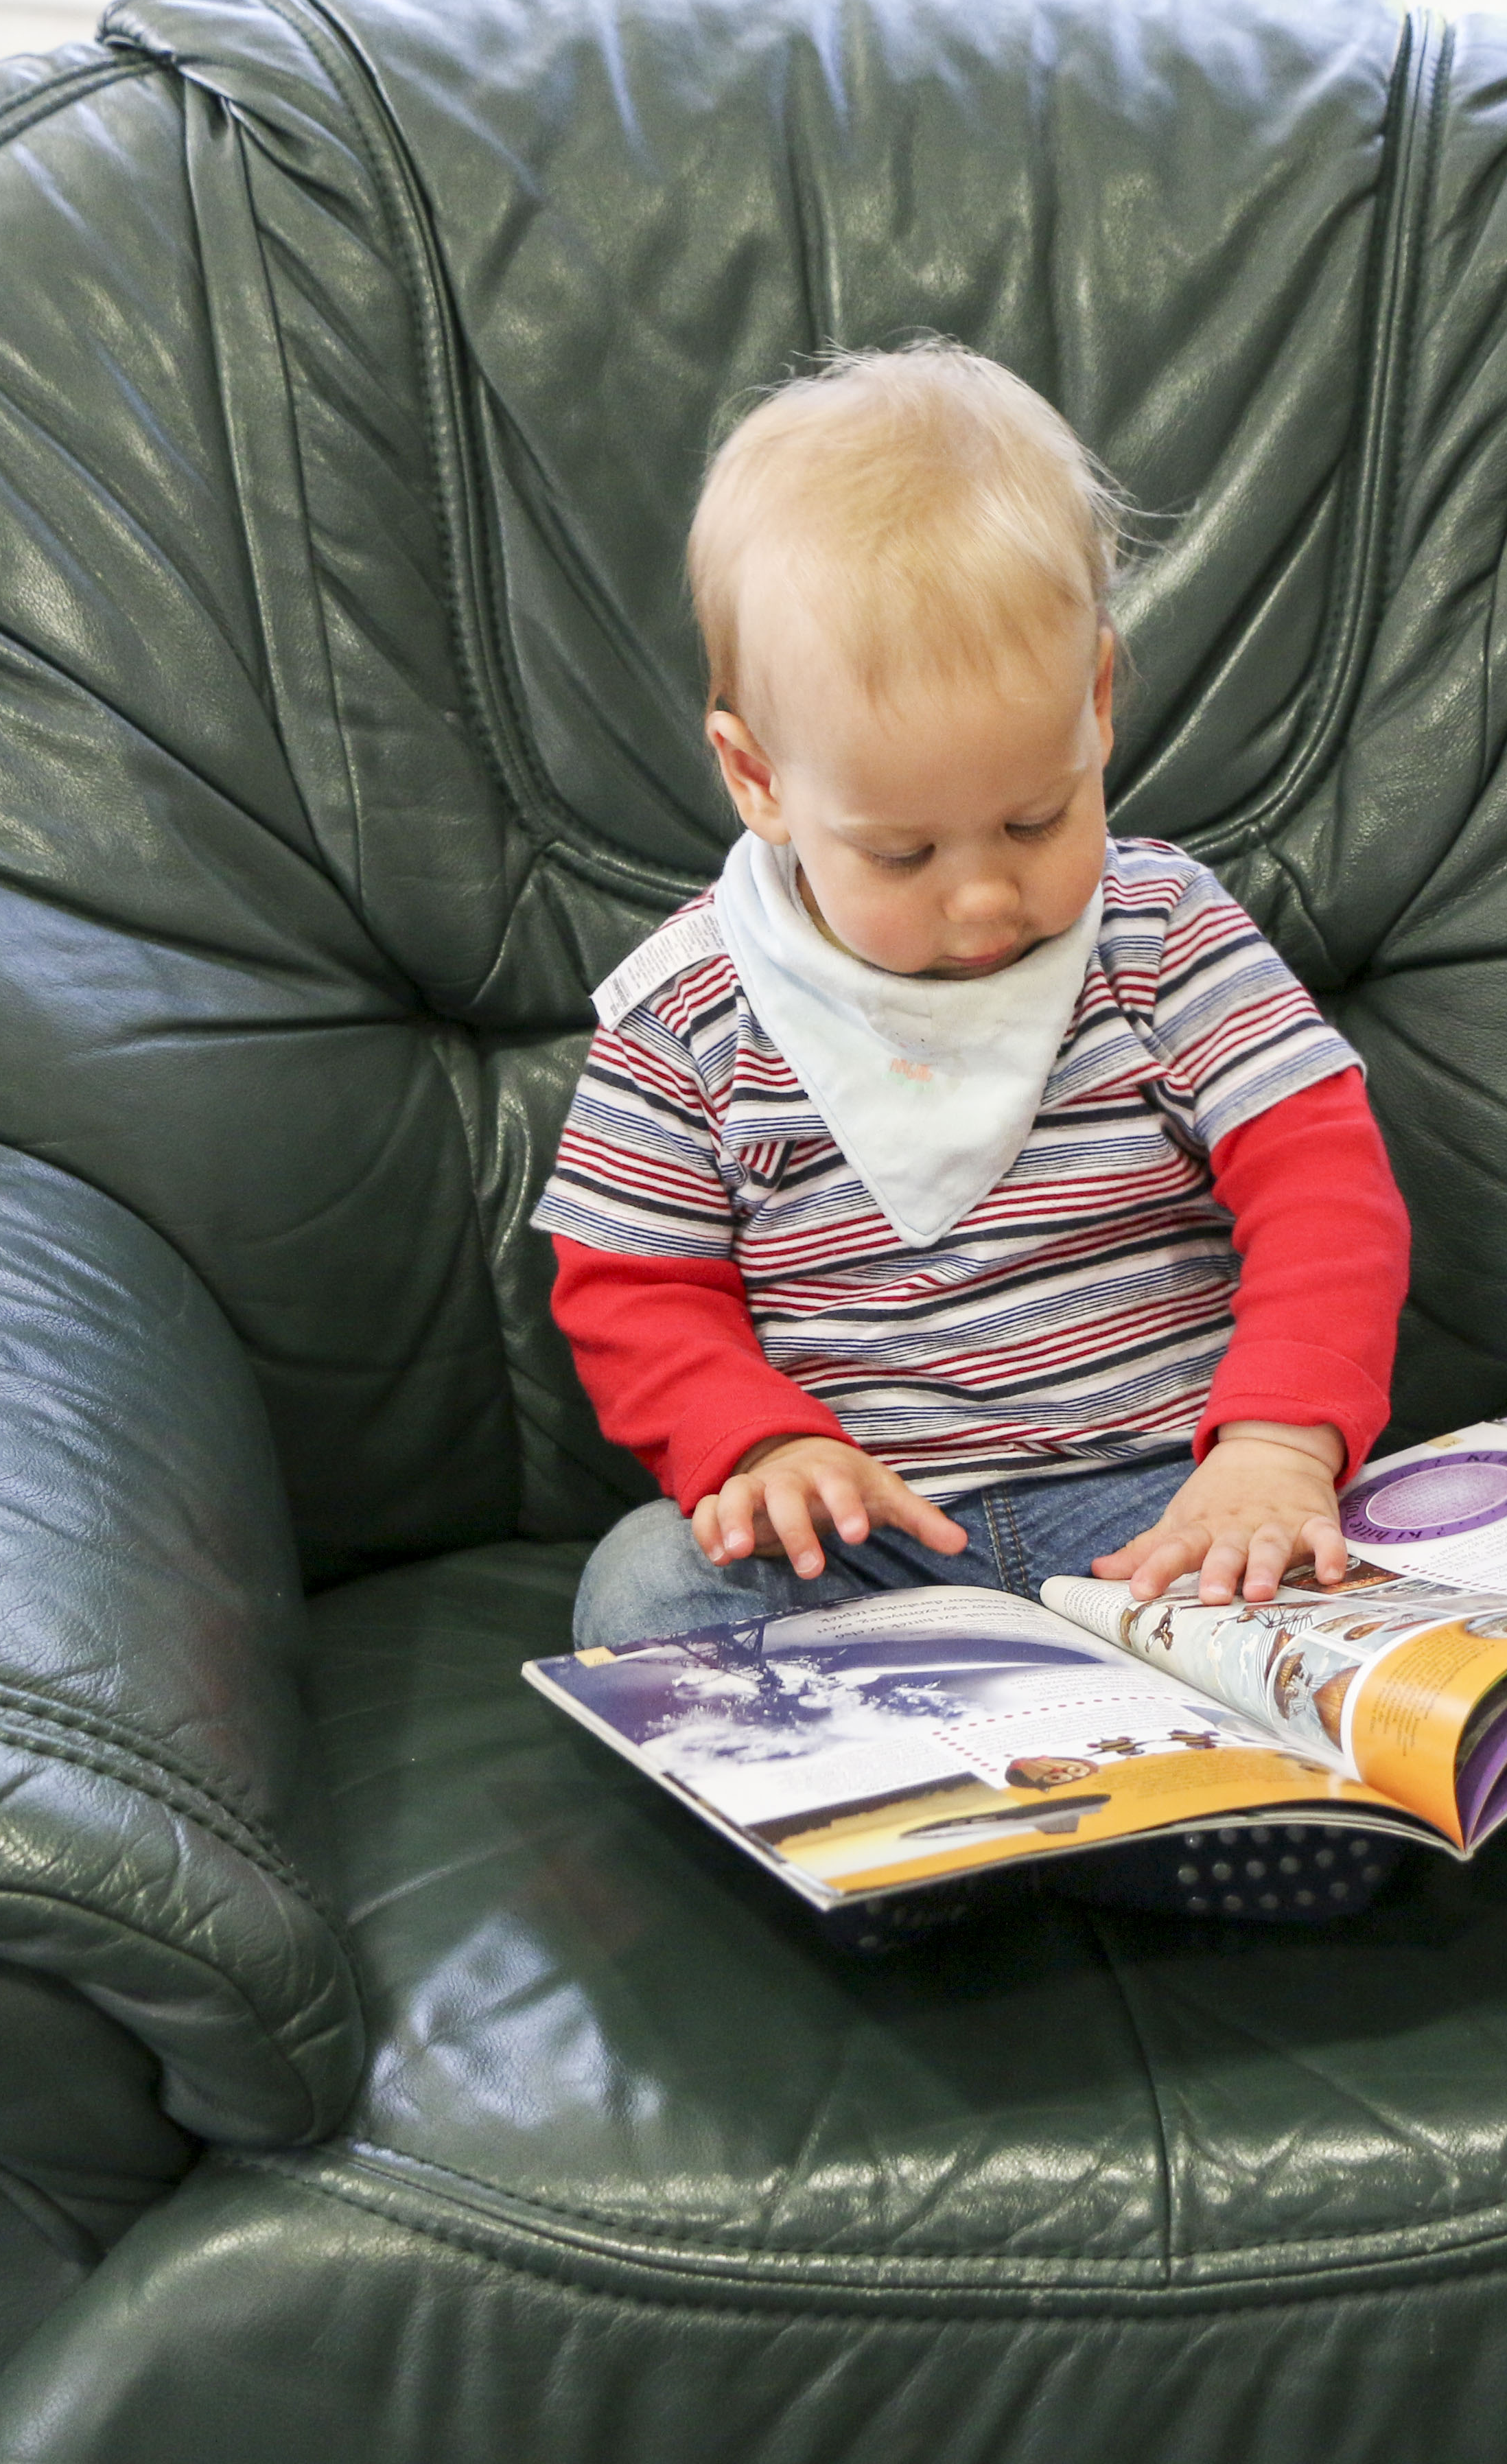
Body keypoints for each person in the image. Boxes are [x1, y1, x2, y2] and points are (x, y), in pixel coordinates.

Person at [533, 342, 1414, 1914]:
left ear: (1097, 702)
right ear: (758, 778)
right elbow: (631, 1289)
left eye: (1034, 817)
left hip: (1161, 1511)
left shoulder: (1160, 932)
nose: (988, 898)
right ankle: (962, 1830)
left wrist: (1277, 1448)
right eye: (905, 853)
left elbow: (1326, 1190)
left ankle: (1057, 1837)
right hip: (875, 1546)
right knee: (648, 1588)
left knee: (1350, 1597)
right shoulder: (685, 1014)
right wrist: (763, 1445)